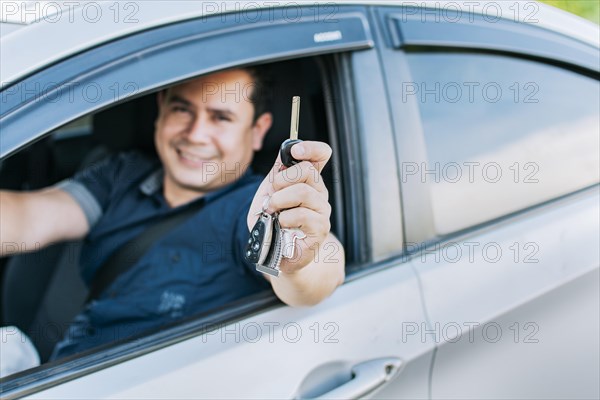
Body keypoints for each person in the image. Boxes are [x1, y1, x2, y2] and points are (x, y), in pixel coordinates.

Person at [0, 66, 345, 361]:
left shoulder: (257, 207)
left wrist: (293, 260)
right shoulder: (121, 174)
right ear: (161, 108)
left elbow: (320, 274)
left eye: (220, 117)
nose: (195, 134)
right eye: (182, 109)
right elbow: (25, 218)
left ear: (257, 130)